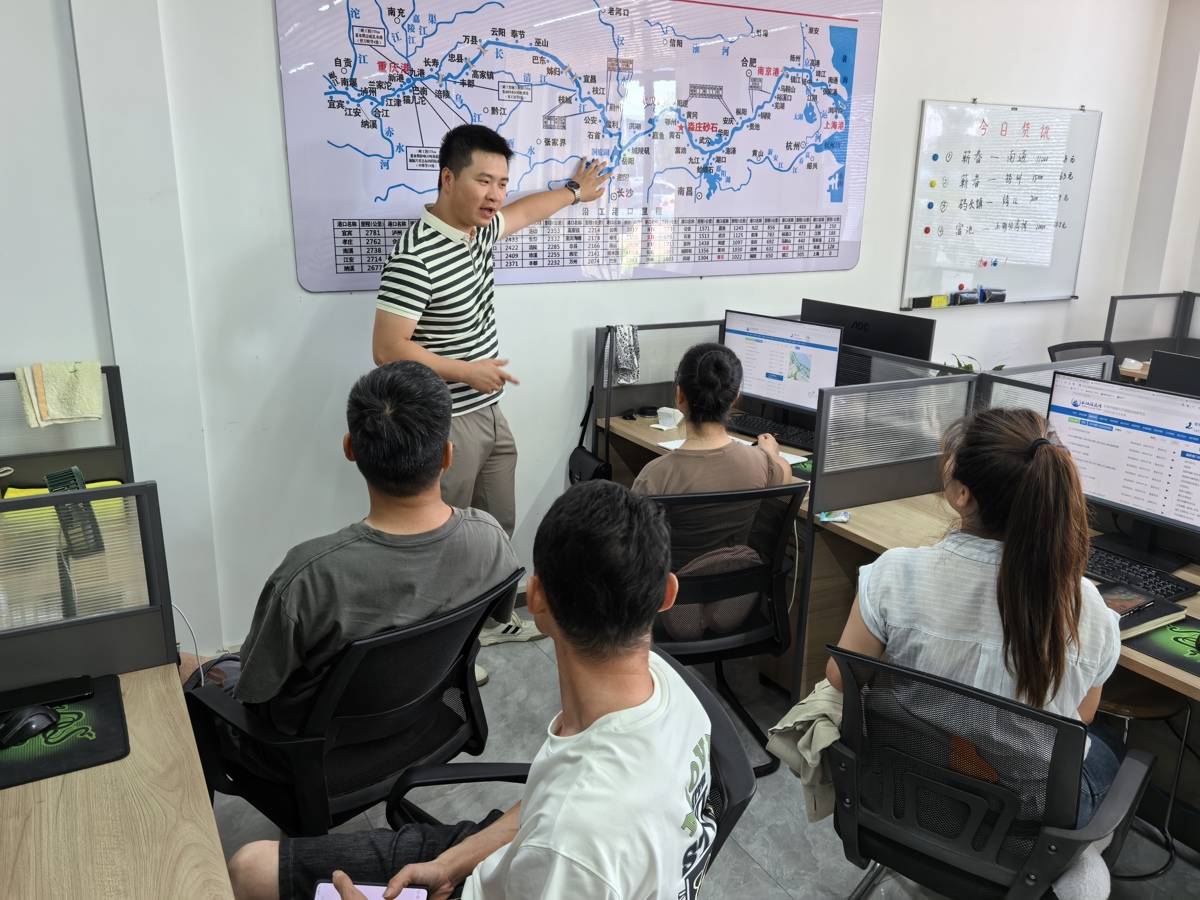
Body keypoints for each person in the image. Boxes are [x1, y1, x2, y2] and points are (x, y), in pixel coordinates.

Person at [226, 481, 719, 900]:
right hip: (512, 860)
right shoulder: (668, 689)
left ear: (536, 600)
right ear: (667, 594)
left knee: (245, 872)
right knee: (251, 868)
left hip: (545, 863)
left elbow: (565, 832)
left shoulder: (574, 848)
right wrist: (453, 862)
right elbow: (549, 807)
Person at [825, 407, 1122, 825]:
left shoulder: (895, 573)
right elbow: (1083, 713)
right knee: (1110, 750)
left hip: (913, 786)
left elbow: (842, 677)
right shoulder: (1088, 610)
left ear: (963, 494)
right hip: (1022, 818)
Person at [183, 361, 519, 727]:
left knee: (183, 664)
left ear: (349, 448)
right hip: (423, 722)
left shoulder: (309, 576)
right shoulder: (489, 537)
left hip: (316, 746)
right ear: (448, 455)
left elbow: (255, 690)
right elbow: (497, 615)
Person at [372, 125, 608, 644]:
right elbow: (387, 348)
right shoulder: (415, 256)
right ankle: (446, 647)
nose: (496, 195)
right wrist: (467, 370)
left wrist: (574, 191)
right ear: (447, 178)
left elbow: (525, 213)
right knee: (446, 538)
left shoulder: (476, 231)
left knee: (497, 523)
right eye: (484, 181)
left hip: (489, 411)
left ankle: (495, 620)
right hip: (445, 421)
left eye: (502, 182)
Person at [632, 342, 793, 567]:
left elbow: (635, 550)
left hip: (673, 587)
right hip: (738, 585)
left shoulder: (655, 475)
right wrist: (770, 454)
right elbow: (784, 475)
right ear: (735, 398)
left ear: (679, 395)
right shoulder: (762, 464)